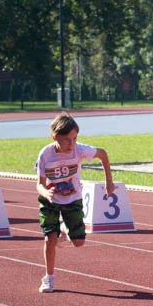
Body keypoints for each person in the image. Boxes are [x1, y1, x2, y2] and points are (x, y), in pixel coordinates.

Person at [35, 113, 115, 293]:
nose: (71, 144)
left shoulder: (79, 149)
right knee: (50, 238)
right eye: (66, 140)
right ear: (54, 137)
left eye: (74, 138)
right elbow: (39, 184)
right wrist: (46, 192)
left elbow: (102, 154)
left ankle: (64, 229)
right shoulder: (45, 154)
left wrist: (109, 181)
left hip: (72, 198)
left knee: (79, 242)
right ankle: (49, 278)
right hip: (50, 200)